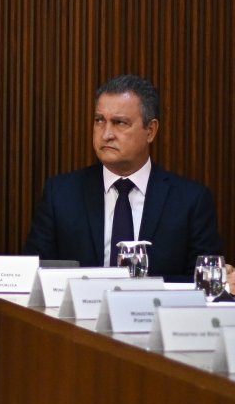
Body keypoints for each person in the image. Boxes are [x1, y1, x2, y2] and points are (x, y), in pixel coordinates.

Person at [23, 75, 224, 280]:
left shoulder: (191, 201)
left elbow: (202, 283)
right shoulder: (60, 195)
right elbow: (34, 277)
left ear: (150, 131)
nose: (106, 134)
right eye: (99, 121)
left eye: (119, 123)